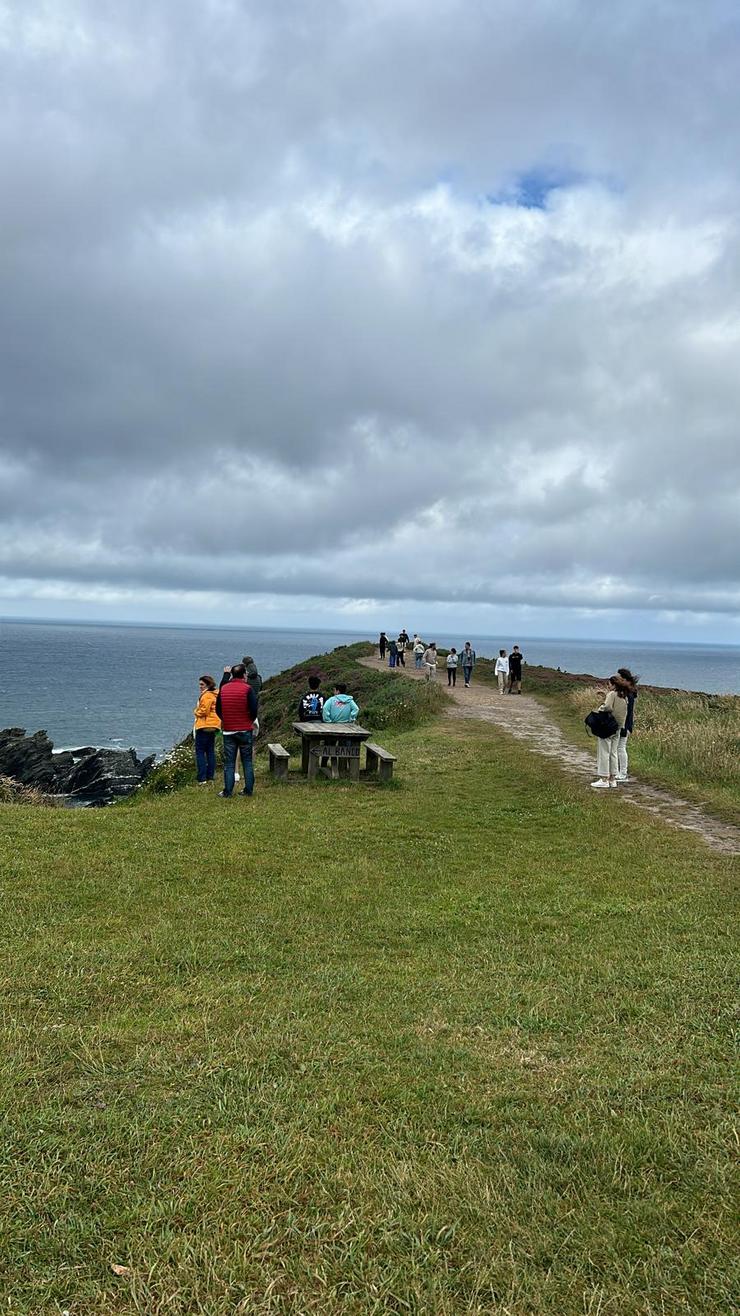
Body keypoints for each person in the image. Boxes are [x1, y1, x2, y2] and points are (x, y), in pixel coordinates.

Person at [215, 663, 259, 797]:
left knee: (229, 762)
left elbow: (218, 709)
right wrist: (248, 721)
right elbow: (253, 710)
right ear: (244, 675)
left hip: (229, 730)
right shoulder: (247, 689)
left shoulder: (224, 689)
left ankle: (227, 791)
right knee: (247, 761)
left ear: (233, 675)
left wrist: (226, 720)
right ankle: (248, 790)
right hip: (245, 729)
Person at [591, 674, 630, 788]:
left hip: (607, 727)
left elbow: (607, 707)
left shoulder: (612, 694)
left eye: (609, 684)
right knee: (613, 753)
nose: (608, 686)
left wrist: (600, 708)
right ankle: (613, 778)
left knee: (604, 752)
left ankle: (604, 779)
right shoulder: (624, 696)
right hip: (617, 727)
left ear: (613, 684)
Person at [193, 674, 220, 784]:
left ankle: (202, 777)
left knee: (200, 752)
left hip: (205, 725)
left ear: (208, 685)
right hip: (213, 725)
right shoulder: (215, 694)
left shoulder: (207, 695)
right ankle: (210, 775)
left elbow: (204, 711)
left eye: (202, 684)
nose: (200, 687)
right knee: (210, 751)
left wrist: (195, 711)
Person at [616, 667, 638, 782]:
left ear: (626, 680)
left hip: (625, 724)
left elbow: (626, 712)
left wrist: (624, 726)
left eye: (621, 679)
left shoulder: (629, 694)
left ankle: (623, 773)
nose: (619, 681)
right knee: (619, 748)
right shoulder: (630, 692)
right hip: (625, 724)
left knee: (621, 748)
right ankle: (620, 772)